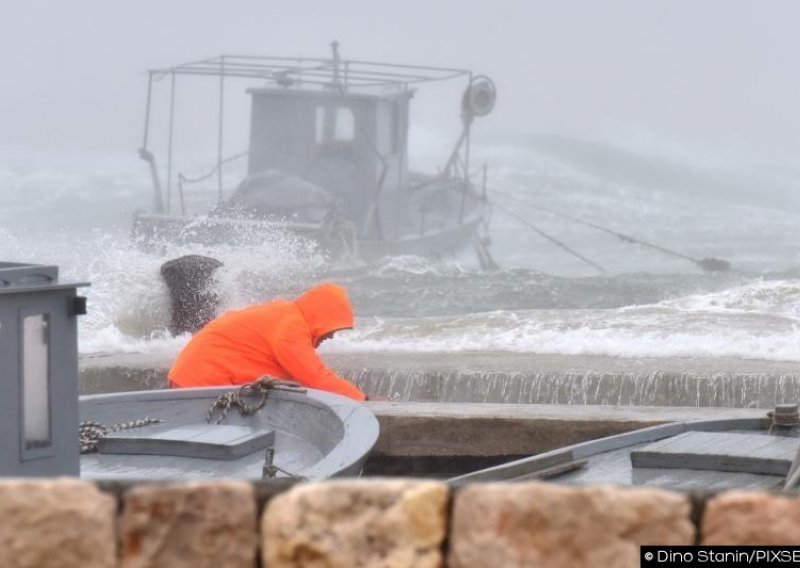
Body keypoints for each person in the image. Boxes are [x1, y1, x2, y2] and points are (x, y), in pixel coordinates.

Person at [168, 283, 366, 401]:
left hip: (191, 377)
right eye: (332, 329)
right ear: (321, 318)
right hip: (201, 384)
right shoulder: (291, 328)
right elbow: (315, 378)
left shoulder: (285, 314)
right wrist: (361, 398)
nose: (330, 337)